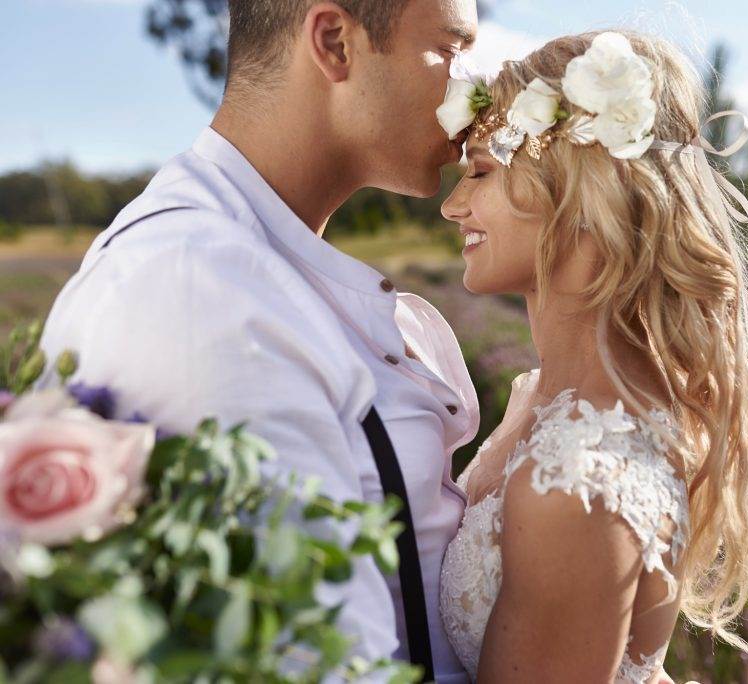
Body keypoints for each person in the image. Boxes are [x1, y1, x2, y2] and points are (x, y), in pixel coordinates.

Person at [38, 1, 480, 681]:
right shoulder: (197, 290)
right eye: (450, 50)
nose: (473, 89)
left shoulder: (261, 269)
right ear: (334, 42)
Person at [436, 30, 748, 682]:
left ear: (578, 188)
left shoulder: (582, 475)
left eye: (479, 171)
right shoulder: (543, 398)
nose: (453, 205)